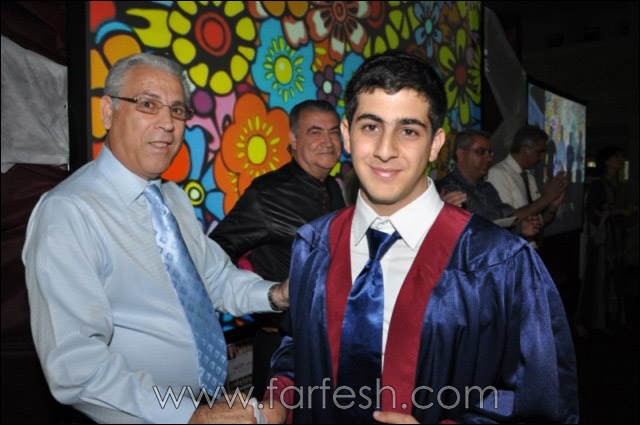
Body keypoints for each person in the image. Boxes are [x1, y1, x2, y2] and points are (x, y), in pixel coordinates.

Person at [261, 51, 578, 424]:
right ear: (347, 135)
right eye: (371, 127)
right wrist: (278, 402)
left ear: (435, 143)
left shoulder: (498, 262)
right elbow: (298, 348)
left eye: (408, 131)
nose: (385, 150)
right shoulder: (314, 245)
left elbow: (541, 403)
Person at [22, 53, 288, 424]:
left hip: (204, 403)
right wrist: (189, 416)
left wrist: (278, 294)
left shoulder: (172, 198)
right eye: (148, 104)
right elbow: (77, 369)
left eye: (177, 110)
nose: (167, 124)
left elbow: (215, 279)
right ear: (108, 112)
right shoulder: (69, 212)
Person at [209, 99, 345, 399]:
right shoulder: (267, 193)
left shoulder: (334, 188)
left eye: (334, 132)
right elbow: (216, 252)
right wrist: (264, 302)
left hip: (327, 343)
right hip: (282, 347)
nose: (328, 141)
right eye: (315, 132)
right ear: (293, 140)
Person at [575, 146, 635, 337]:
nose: (620, 160)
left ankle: (609, 319)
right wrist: (618, 212)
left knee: (613, 279)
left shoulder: (616, 184)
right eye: (616, 157)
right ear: (607, 161)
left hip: (615, 239)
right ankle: (589, 320)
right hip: (602, 240)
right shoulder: (599, 185)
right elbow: (593, 212)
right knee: (597, 278)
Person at [437, 129, 542, 237]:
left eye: (490, 153)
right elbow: (465, 235)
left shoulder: (487, 187)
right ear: (461, 155)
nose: (488, 158)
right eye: (481, 152)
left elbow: (502, 222)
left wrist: (521, 229)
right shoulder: (447, 188)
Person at [487, 125, 567, 247]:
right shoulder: (498, 173)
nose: (543, 157)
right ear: (525, 149)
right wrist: (546, 198)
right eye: (539, 152)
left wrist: (553, 206)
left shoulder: (528, 176)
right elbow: (506, 221)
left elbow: (539, 222)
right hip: (512, 250)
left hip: (531, 249)